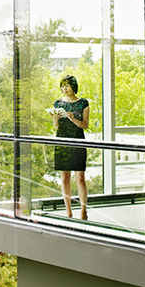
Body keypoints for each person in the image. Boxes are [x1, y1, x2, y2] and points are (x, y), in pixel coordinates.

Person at [51, 75, 89, 219]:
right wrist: (55, 120)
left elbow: (85, 125)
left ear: (73, 86)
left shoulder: (83, 103)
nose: (64, 89)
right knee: (65, 178)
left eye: (67, 85)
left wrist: (73, 118)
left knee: (80, 177)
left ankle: (83, 210)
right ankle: (68, 211)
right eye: (62, 86)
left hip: (78, 141)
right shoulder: (57, 103)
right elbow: (56, 127)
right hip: (62, 142)